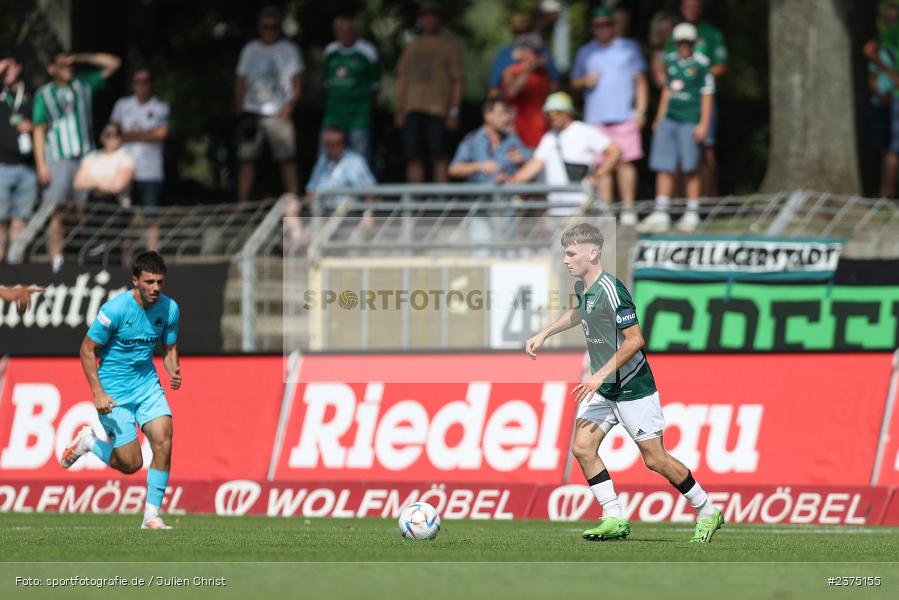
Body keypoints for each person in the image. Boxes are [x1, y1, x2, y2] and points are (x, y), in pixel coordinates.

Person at [526, 222, 724, 543]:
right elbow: (580, 313)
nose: (566, 259)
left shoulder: (611, 289)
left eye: (571, 253)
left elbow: (635, 340)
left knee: (655, 459)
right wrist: (544, 333)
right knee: (582, 447)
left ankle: (706, 509)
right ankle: (614, 517)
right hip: (606, 389)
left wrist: (599, 374)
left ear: (593, 253)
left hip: (632, 387)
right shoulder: (585, 289)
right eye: (565, 253)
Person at [61, 251, 181, 530]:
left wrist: (173, 368)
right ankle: (88, 443)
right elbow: (87, 350)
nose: (155, 288)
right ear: (135, 280)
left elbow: (170, 349)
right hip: (114, 393)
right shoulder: (114, 310)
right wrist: (98, 393)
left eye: (160, 282)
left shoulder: (170, 309)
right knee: (130, 464)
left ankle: (151, 516)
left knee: (164, 439)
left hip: (147, 386)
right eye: (149, 282)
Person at [32, 52, 121, 272]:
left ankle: (89, 253)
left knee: (87, 207)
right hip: (58, 157)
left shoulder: (83, 85)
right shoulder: (44, 94)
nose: (68, 67)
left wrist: (81, 58)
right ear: (52, 69)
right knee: (56, 209)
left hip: (85, 156)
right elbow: (39, 130)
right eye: (62, 64)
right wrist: (41, 164)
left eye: (69, 64)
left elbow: (114, 64)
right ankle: (56, 259)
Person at [572, 7, 648, 225]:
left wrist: (641, 110)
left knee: (625, 163)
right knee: (601, 167)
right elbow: (574, 82)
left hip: (624, 115)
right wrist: (584, 81)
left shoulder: (629, 47)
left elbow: (640, 81)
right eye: (598, 25)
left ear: (613, 25)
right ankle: (606, 212)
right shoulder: (586, 52)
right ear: (593, 28)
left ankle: (628, 210)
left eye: (607, 24)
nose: (602, 29)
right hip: (596, 118)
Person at [638, 23, 714, 234]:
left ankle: (692, 211)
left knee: (690, 166)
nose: (684, 46)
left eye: (687, 42)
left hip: (690, 119)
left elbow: (707, 95)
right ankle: (661, 210)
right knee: (664, 165)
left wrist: (703, 124)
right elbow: (667, 91)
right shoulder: (670, 61)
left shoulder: (701, 64)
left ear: (693, 43)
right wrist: (659, 117)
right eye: (680, 42)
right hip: (670, 118)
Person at [510, 92, 621, 216]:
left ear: (568, 112)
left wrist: (598, 175)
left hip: (583, 209)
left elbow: (615, 151)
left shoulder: (584, 131)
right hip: (557, 211)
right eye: (549, 113)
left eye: (557, 112)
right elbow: (534, 165)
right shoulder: (549, 138)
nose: (553, 116)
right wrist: (511, 182)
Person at [235, 5, 303, 205]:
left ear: (279, 27)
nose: (269, 31)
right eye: (265, 27)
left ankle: (293, 203)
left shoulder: (289, 50)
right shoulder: (250, 50)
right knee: (246, 159)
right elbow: (240, 79)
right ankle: (241, 203)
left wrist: (291, 105)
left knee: (287, 158)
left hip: (279, 111)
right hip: (252, 111)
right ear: (259, 27)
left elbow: (298, 81)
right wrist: (240, 108)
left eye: (273, 27)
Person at [394, 4, 462, 183]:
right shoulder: (411, 46)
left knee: (439, 154)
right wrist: (399, 109)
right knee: (412, 155)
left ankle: (441, 202)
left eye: (433, 16)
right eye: (425, 16)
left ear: (438, 20)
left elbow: (457, 81)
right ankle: (414, 204)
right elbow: (401, 79)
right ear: (420, 20)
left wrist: (454, 111)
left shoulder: (448, 46)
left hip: (438, 110)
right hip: (412, 108)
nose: (429, 20)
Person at [667, 0, 727, 196]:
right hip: (677, 105)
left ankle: (710, 202)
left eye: (695, 5)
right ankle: (679, 204)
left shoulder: (710, 33)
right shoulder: (674, 34)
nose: (690, 9)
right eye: (686, 5)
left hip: (701, 102)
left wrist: (695, 74)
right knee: (676, 155)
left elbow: (721, 65)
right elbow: (668, 67)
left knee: (705, 151)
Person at [110, 68, 170, 251]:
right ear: (132, 84)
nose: (141, 85)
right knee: (125, 219)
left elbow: (161, 133)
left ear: (150, 84)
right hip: (125, 169)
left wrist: (127, 135)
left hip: (150, 171)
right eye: (138, 81)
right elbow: (113, 133)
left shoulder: (160, 106)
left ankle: (152, 259)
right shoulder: (122, 105)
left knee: (150, 218)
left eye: (146, 81)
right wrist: (147, 134)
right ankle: (125, 261)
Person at [321, 16, 379, 163]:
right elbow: (326, 86)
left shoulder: (367, 52)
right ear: (335, 32)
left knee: (359, 159)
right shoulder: (330, 52)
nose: (345, 33)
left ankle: (360, 187)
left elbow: (375, 88)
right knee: (326, 156)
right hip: (333, 115)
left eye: (349, 30)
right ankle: (324, 185)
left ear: (356, 31)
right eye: (341, 30)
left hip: (358, 117)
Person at [0, 58, 37, 262]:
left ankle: (14, 264)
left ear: (21, 68)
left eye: (11, 66)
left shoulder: (32, 93)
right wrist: (3, 66)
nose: (7, 71)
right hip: (2, 166)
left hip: (27, 167)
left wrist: (32, 126)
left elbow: (44, 123)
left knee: (20, 219)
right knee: (0, 220)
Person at [449, 98, 529, 183]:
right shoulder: (473, 139)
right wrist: (479, 166)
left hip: (507, 194)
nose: (506, 118)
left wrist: (522, 162)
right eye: (502, 113)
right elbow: (453, 170)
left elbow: (532, 169)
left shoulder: (513, 140)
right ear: (488, 116)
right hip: (480, 194)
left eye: (507, 113)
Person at [865, 3, 899, 198]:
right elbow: (868, 51)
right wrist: (891, 75)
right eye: (889, 19)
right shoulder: (884, 39)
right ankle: (886, 194)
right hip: (885, 99)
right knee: (889, 148)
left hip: (892, 99)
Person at [488, 11, 560, 98]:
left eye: (523, 31)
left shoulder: (543, 53)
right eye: (517, 32)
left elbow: (554, 85)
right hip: (512, 108)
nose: (520, 36)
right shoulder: (504, 54)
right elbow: (496, 89)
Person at [501, 34, 552, 149]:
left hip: (541, 135)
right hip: (518, 135)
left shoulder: (543, 73)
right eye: (535, 51)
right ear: (522, 53)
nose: (538, 55)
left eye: (539, 52)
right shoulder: (511, 71)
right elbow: (511, 92)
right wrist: (527, 70)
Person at [649, 11, 679, 90]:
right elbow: (660, 81)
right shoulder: (658, 54)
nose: (667, 36)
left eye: (669, 31)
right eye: (663, 32)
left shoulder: (685, 49)